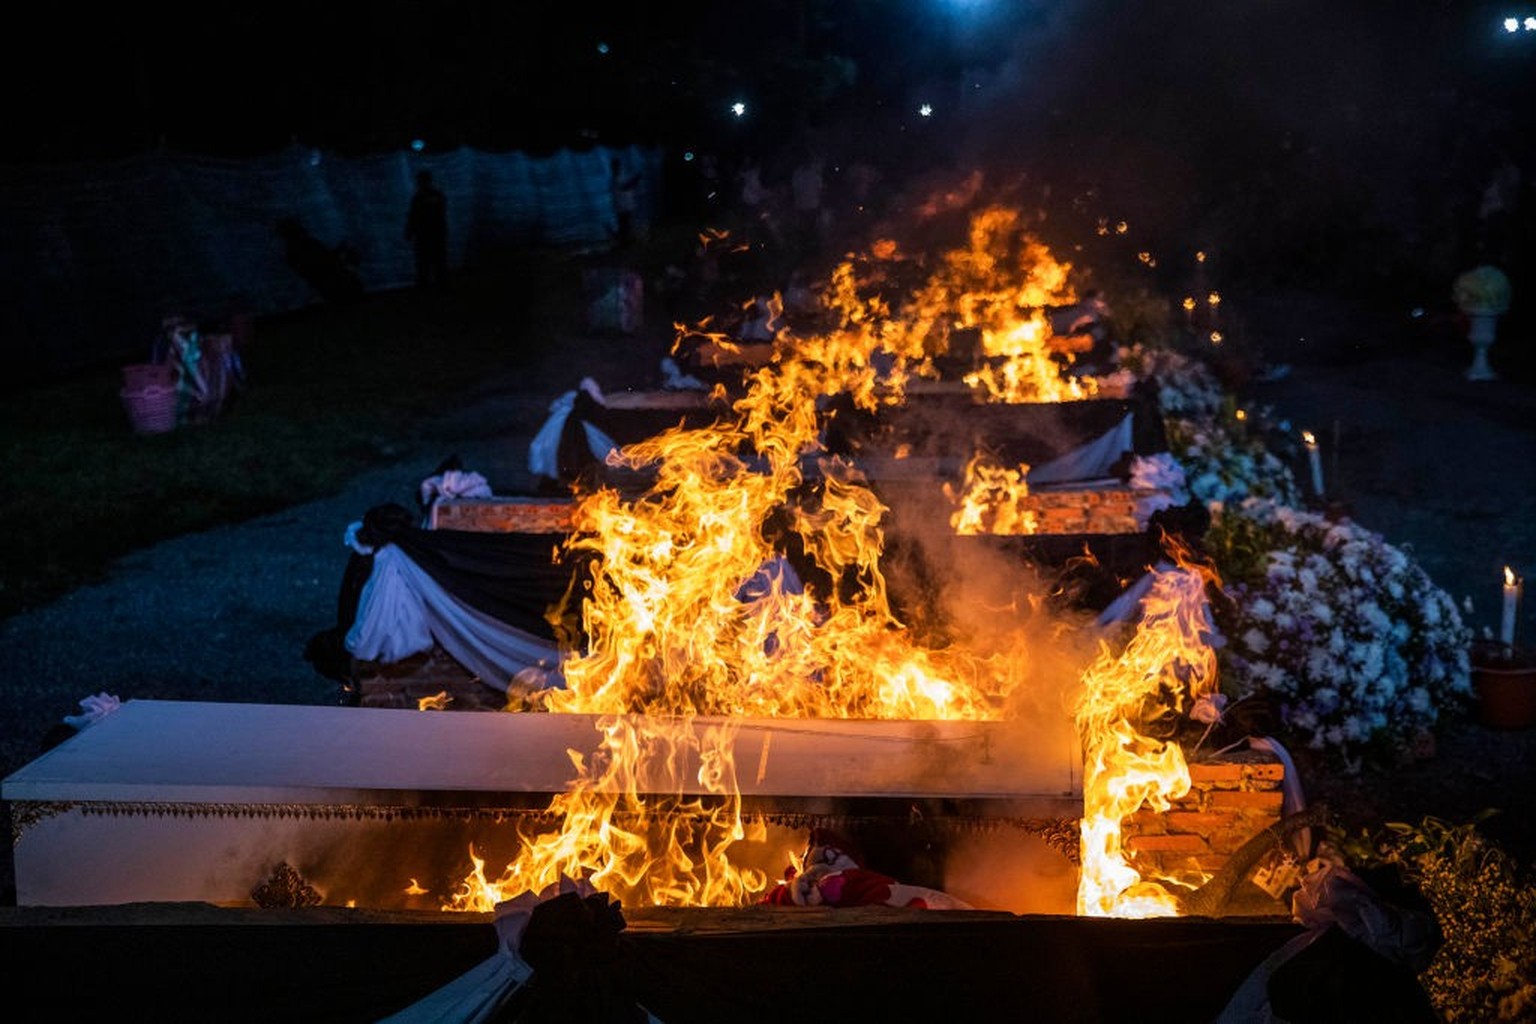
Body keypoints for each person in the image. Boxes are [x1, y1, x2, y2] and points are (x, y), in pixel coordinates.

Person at [404, 169, 448, 290]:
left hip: (426, 236)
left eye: (420, 181)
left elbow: (413, 216)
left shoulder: (420, 197)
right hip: (434, 235)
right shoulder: (435, 195)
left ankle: (428, 287)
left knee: (426, 263)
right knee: (435, 263)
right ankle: (438, 286)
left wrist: (409, 232)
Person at [609, 157, 642, 249]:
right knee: (625, 225)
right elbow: (625, 186)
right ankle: (625, 241)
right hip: (623, 207)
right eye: (616, 166)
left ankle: (625, 241)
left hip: (625, 206)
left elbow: (627, 186)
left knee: (626, 225)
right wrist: (635, 180)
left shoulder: (619, 177)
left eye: (617, 166)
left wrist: (634, 181)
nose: (618, 167)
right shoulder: (615, 179)